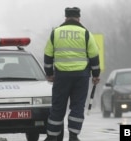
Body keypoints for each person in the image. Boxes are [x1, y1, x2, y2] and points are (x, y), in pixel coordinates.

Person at [43, 7, 100, 141]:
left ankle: (52, 136)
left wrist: (49, 73)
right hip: (81, 76)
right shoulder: (86, 33)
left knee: (58, 106)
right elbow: (94, 56)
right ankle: (74, 136)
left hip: (61, 76)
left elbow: (48, 56)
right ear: (78, 18)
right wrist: (96, 75)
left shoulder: (55, 33)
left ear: (66, 17)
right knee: (77, 106)